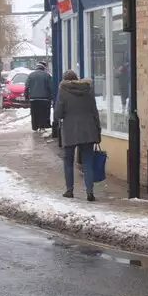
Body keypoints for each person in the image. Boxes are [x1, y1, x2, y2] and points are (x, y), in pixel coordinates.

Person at [55, 69, 101, 200]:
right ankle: (90, 192)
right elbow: (94, 111)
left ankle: (69, 190)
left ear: (64, 80)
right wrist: (98, 130)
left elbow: (58, 113)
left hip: (70, 130)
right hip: (88, 129)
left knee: (68, 161)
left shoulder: (63, 91)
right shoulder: (87, 90)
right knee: (88, 161)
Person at [25, 60, 54, 132]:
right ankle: (42, 126)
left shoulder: (31, 75)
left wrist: (26, 96)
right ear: (43, 68)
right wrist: (52, 96)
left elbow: (26, 87)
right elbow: (50, 87)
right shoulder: (47, 75)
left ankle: (35, 127)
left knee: (34, 113)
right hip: (45, 98)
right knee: (43, 113)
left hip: (33, 98)